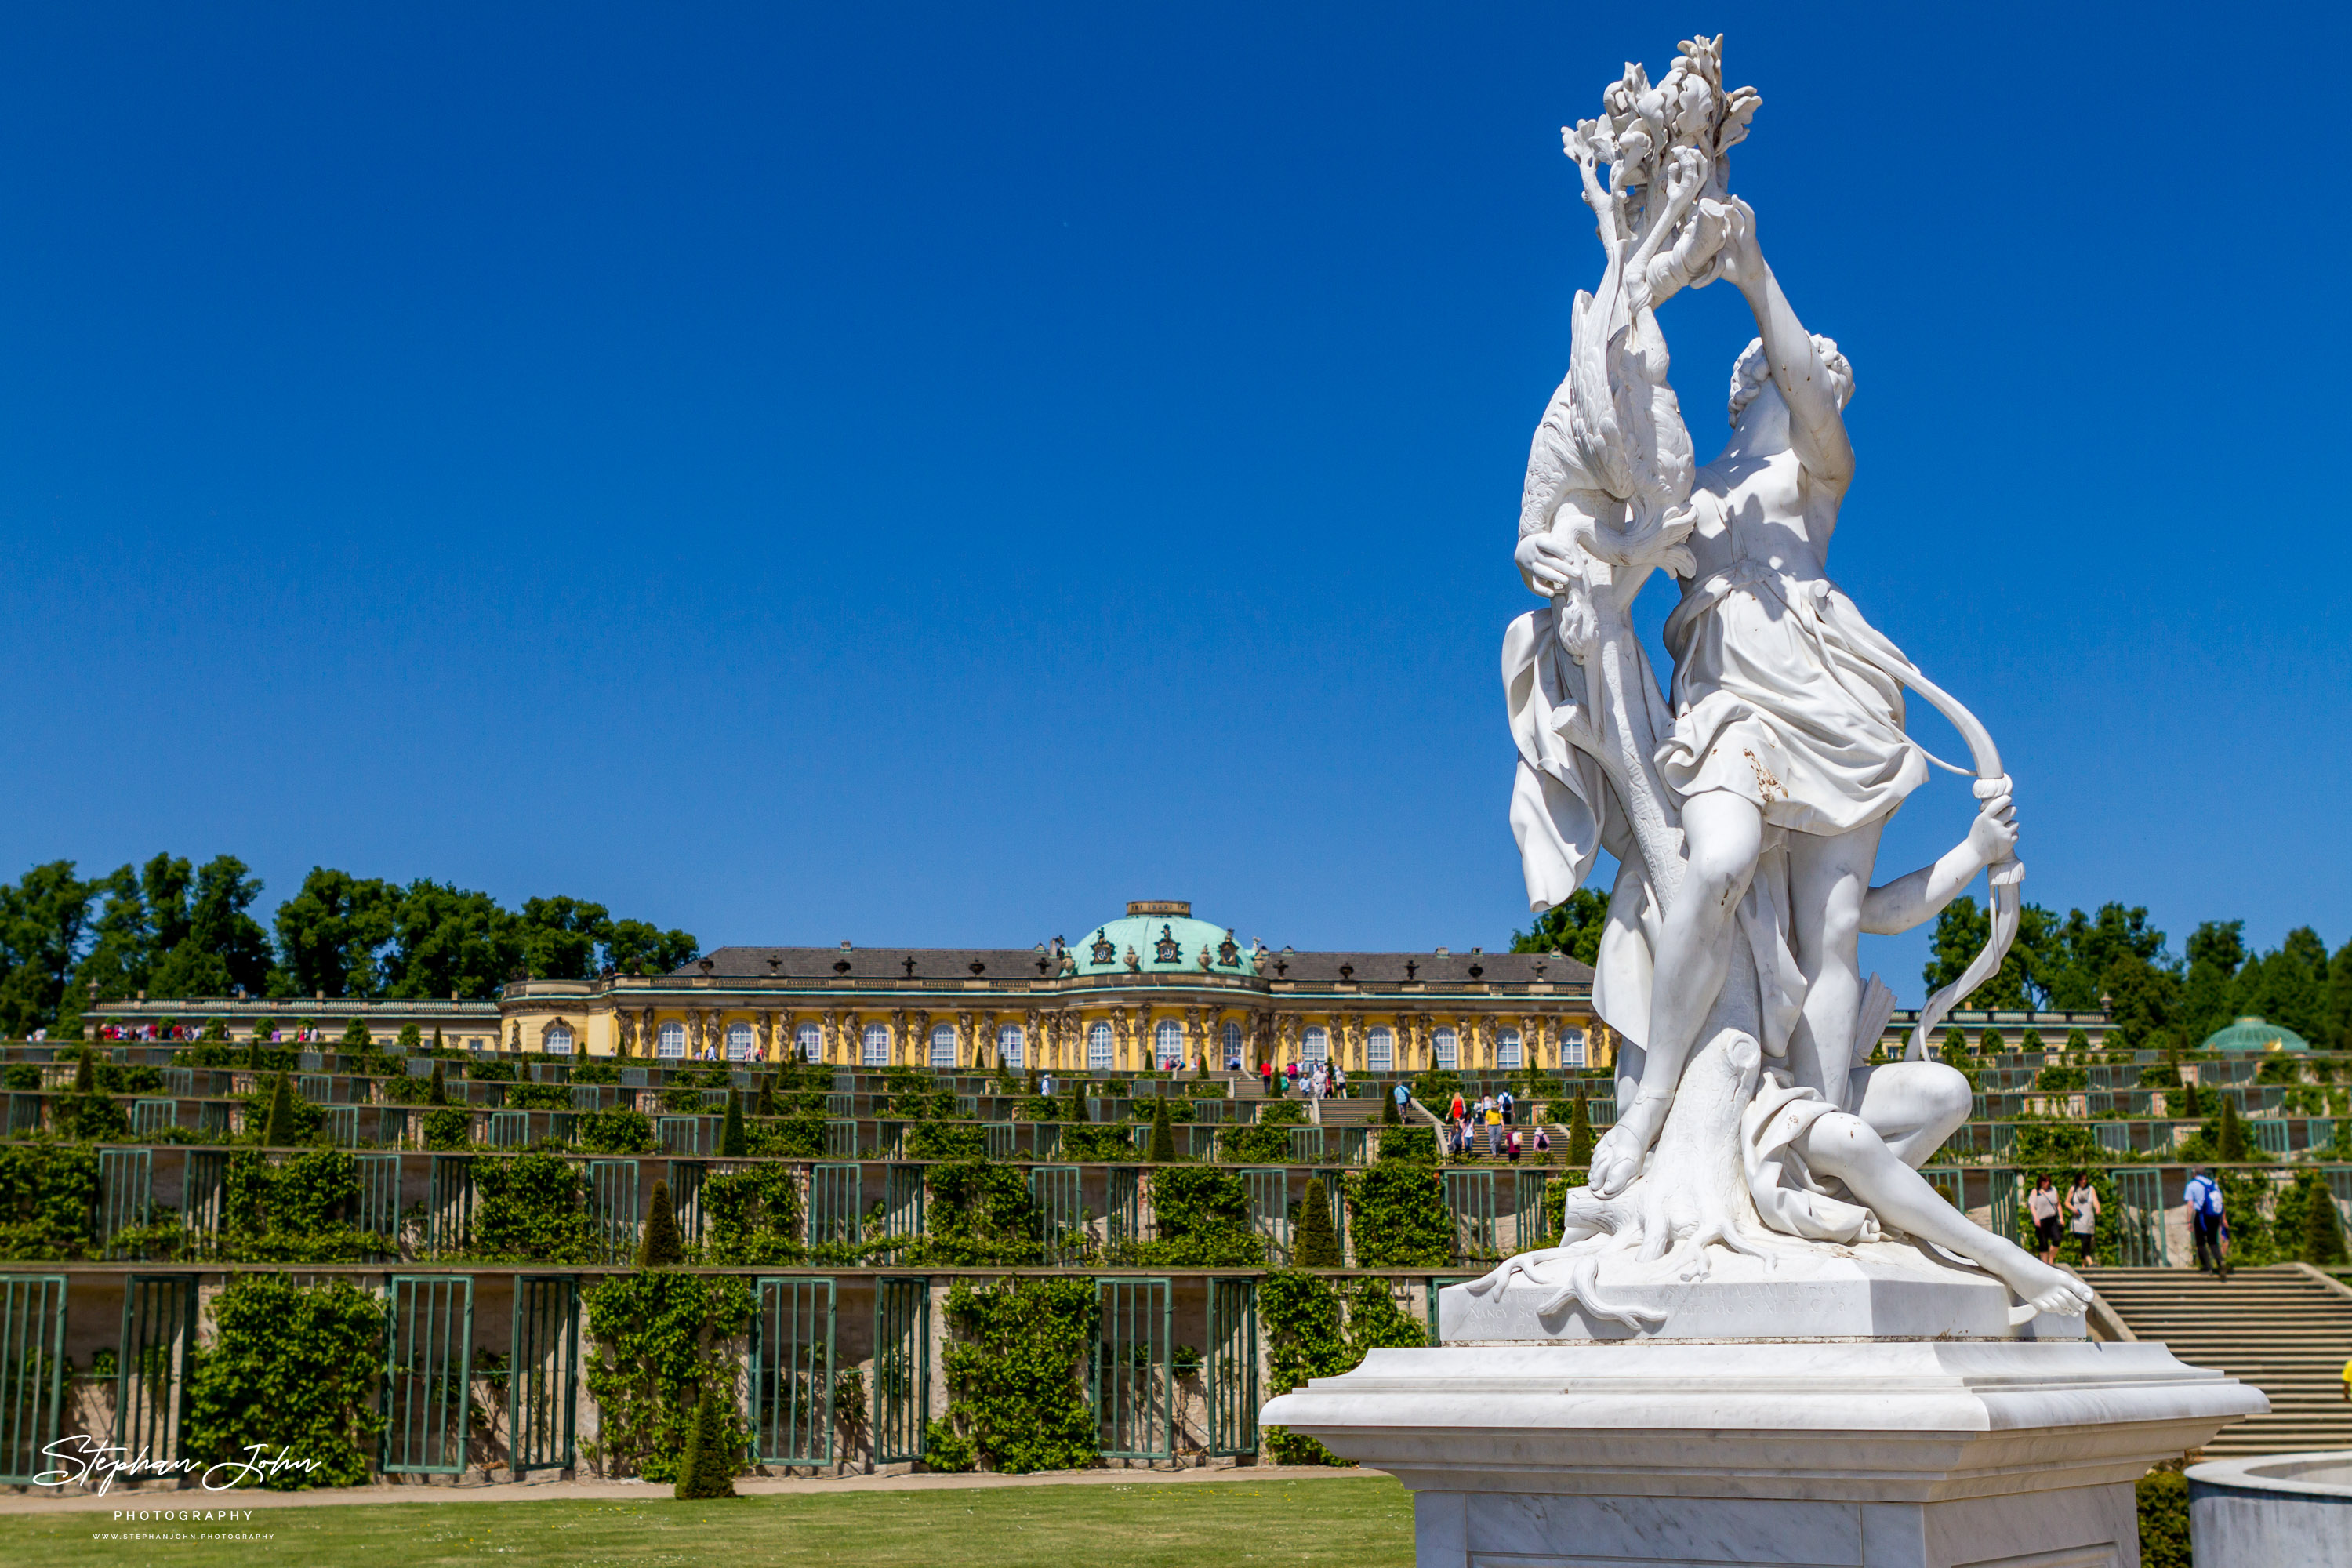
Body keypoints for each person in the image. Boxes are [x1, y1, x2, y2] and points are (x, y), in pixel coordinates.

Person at [2186, 1168, 2227, 1277]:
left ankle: (2207, 1267)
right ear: (2203, 1172)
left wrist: (2189, 1221)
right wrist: (2223, 1219)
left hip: (2201, 1216)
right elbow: (2221, 1202)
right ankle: (2220, 1262)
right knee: (2213, 1241)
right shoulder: (2213, 1184)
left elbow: (2190, 1205)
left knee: (2200, 1242)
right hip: (2214, 1216)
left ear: (2194, 1173)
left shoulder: (2192, 1185)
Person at [2066, 1173, 2101, 1265]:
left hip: (2089, 1220)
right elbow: (2067, 1202)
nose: (2084, 1181)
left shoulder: (2091, 1189)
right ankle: (2090, 1262)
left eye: (2085, 1179)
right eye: (2082, 1179)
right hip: (2079, 1220)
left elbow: (2095, 1201)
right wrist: (2074, 1209)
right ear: (2078, 1180)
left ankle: (2083, 1266)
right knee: (2084, 1240)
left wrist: (2098, 1208)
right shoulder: (2073, 1189)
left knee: (2087, 1241)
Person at [2027, 1175, 2063, 1265]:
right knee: (2043, 1242)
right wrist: (2036, 1218)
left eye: (2048, 1181)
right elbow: (2032, 1206)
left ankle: (2051, 1260)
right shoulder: (2036, 1192)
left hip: (2052, 1218)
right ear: (2040, 1182)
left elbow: (2058, 1204)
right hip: (2041, 1219)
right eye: (2045, 1181)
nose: (2047, 1183)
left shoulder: (2053, 1190)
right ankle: (2044, 1262)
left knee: (2057, 1238)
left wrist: (2061, 1218)